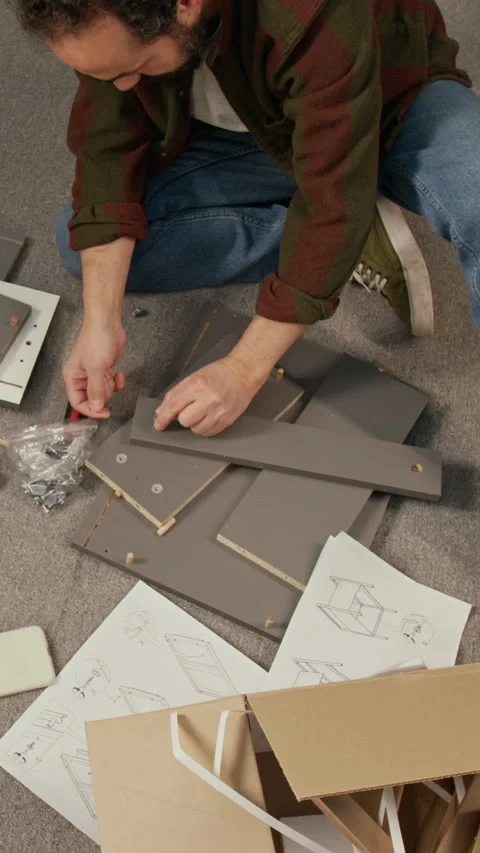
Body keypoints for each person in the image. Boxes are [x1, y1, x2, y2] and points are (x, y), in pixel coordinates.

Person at [15, 0, 478, 435]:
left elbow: (333, 193)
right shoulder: (106, 12)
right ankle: (347, 240)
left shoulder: (312, 12)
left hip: (391, 97)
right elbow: (107, 152)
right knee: (81, 242)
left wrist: (243, 369)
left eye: (134, 68)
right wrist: (100, 323)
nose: (122, 86)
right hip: (252, 129)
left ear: (186, 4)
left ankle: (339, 239)